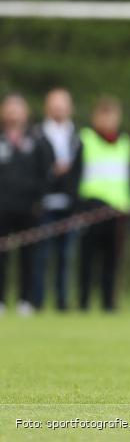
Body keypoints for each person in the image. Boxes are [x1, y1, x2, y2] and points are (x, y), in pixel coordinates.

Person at [77, 96, 130, 312]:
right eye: (104, 114)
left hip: (118, 210)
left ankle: (108, 304)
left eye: (112, 114)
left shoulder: (125, 141)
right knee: (87, 260)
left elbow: (129, 177)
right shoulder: (86, 138)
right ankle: (83, 303)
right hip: (92, 207)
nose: (108, 119)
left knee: (112, 262)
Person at [31, 88, 81, 312]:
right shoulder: (36, 134)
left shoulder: (78, 136)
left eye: (63, 103)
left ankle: (62, 302)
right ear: (47, 107)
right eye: (55, 103)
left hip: (69, 204)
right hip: (44, 203)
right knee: (40, 256)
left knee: (65, 257)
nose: (59, 108)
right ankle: (37, 301)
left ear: (70, 107)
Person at [0, 94, 51, 316]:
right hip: (2, 207)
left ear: (26, 112)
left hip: (29, 208)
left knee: (29, 257)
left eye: (18, 108)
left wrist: (38, 200)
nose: (13, 113)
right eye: (9, 108)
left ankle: (25, 300)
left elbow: (45, 172)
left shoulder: (37, 139)